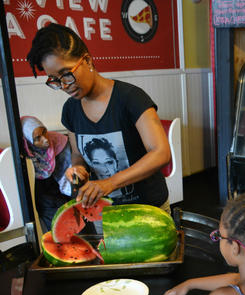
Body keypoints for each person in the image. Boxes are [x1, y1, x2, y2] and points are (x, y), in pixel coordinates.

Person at [26, 24, 170, 211]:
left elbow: (161, 152)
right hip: (103, 211)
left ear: (87, 60)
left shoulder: (130, 98)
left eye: (66, 74)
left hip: (148, 208)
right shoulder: (70, 109)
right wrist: (78, 170)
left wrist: (110, 183)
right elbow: (78, 154)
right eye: (55, 80)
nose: (64, 85)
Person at [20, 116, 72, 231]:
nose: (45, 139)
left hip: (67, 193)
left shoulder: (59, 141)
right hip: (47, 200)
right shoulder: (25, 157)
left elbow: (71, 175)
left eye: (45, 132)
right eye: (38, 138)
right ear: (28, 140)